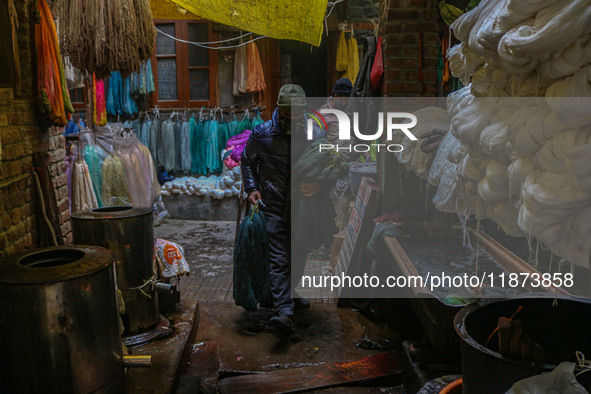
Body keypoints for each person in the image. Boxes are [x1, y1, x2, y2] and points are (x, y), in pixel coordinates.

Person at [241, 84, 324, 336]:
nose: (294, 117)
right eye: (289, 113)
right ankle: (284, 311)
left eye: (298, 112)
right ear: (280, 109)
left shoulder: (315, 133)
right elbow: (247, 160)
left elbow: (328, 162)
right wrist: (252, 188)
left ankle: (292, 293)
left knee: (300, 252)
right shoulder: (262, 133)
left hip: (302, 207)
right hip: (273, 204)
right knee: (279, 257)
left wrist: (319, 184)